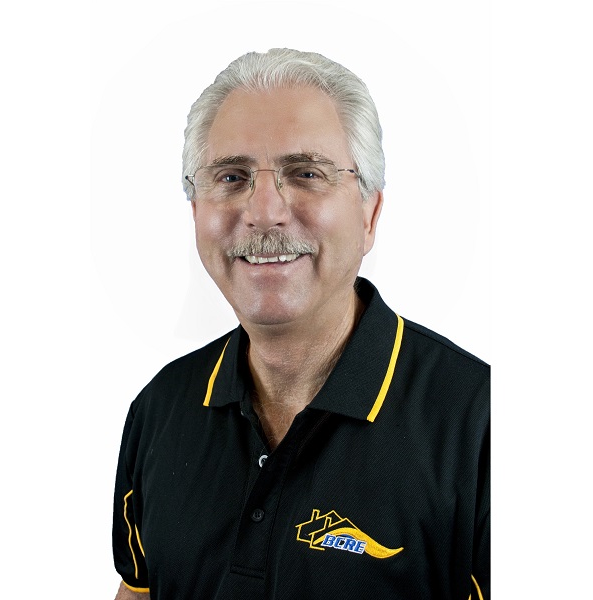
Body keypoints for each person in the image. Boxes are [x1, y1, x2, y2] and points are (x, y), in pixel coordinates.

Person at [112, 48, 490, 600]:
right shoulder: (159, 409)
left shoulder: (482, 427)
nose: (264, 212)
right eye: (232, 176)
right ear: (196, 213)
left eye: (307, 173)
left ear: (370, 214)